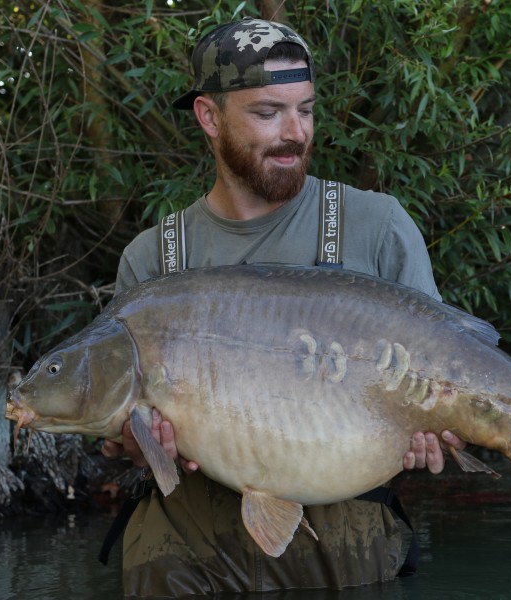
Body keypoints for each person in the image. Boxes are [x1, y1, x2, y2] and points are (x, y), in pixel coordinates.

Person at [101, 17, 467, 597]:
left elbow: (449, 380)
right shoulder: (154, 261)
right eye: (268, 113)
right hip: (186, 559)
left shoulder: (376, 228)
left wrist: (442, 434)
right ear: (209, 117)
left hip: (338, 549)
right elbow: (130, 435)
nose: (295, 132)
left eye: (307, 109)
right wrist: (135, 445)